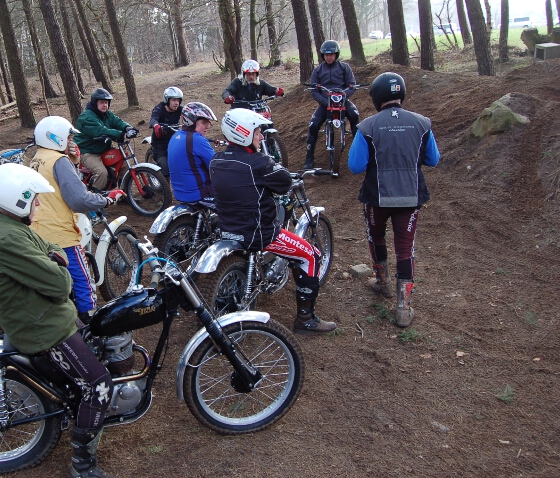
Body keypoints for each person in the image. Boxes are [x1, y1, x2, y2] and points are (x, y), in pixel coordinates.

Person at [0, 163, 115, 478]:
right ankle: (83, 464)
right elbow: (61, 284)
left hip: (47, 315)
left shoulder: (7, 226)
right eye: (33, 198)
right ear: (15, 200)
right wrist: (58, 266)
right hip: (44, 328)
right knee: (99, 385)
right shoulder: (6, 240)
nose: (38, 203)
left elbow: (50, 247)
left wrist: (54, 259)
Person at [211, 108, 337, 334]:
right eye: (257, 132)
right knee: (311, 255)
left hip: (227, 229)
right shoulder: (259, 163)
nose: (261, 136)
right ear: (243, 133)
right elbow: (284, 182)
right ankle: (306, 319)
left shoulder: (216, 160)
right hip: (259, 233)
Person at [348, 72, 440, 328]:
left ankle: (383, 283)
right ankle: (403, 307)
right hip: (410, 196)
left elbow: (355, 166)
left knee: (376, 236)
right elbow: (433, 159)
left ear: (377, 97)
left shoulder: (367, 126)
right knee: (405, 247)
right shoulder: (422, 123)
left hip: (377, 197)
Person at [29, 116, 126, 323]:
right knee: (84, 282)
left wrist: (73, 161)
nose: (72, 141)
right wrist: (107, 199)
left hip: (36, 230)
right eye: (68, 137)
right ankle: (88, 324)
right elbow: (78, 199)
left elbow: (57, 185)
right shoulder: (59, 161)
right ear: (55, 138)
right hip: (58, 233)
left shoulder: (37, 158)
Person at [304, 40, 360, 170]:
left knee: (355, 116)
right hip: (325, 103)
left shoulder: (345, 67)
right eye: (326, 55)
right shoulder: (318, 70)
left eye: (331, 54)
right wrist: (325, 102)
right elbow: (314, 91)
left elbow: (352, 86)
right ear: (323, 55)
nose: (329, 57)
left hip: (342, 101)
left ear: (336, 54)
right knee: (313, 125)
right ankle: (309, 158)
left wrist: (343, 96)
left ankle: (359, 152)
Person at [75, 88, 138, 190]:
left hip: (103, 149)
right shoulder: (86, 117)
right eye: (102, 102)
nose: (105, 105)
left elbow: (118, 122)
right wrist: (121, 135)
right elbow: (101, 130)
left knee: (125, 165)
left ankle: (125, 193)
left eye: (106, 102)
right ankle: (96, 197)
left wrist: (128, 128)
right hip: (87, 151)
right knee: (101, 172)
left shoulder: (107, 114)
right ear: (95, 102)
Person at [167, 102, 217, 203]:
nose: (208, 126)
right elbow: (216, 165)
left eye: (208, 122)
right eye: (204, 122)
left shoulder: (176, 136)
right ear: (191, 122)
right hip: (199, 195)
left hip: (180, 194)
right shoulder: (197, 139)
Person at [148, 87, 184, 177]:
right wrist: (156, 126)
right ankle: (165, 186)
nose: (176, 103)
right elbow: (153, 119)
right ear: (167, 100)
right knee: (165, 167)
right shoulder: (159, 109)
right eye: (173, 100)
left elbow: (189, 114)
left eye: (178, 100)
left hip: (175, 141)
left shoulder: (180, 109)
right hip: (160, 145)